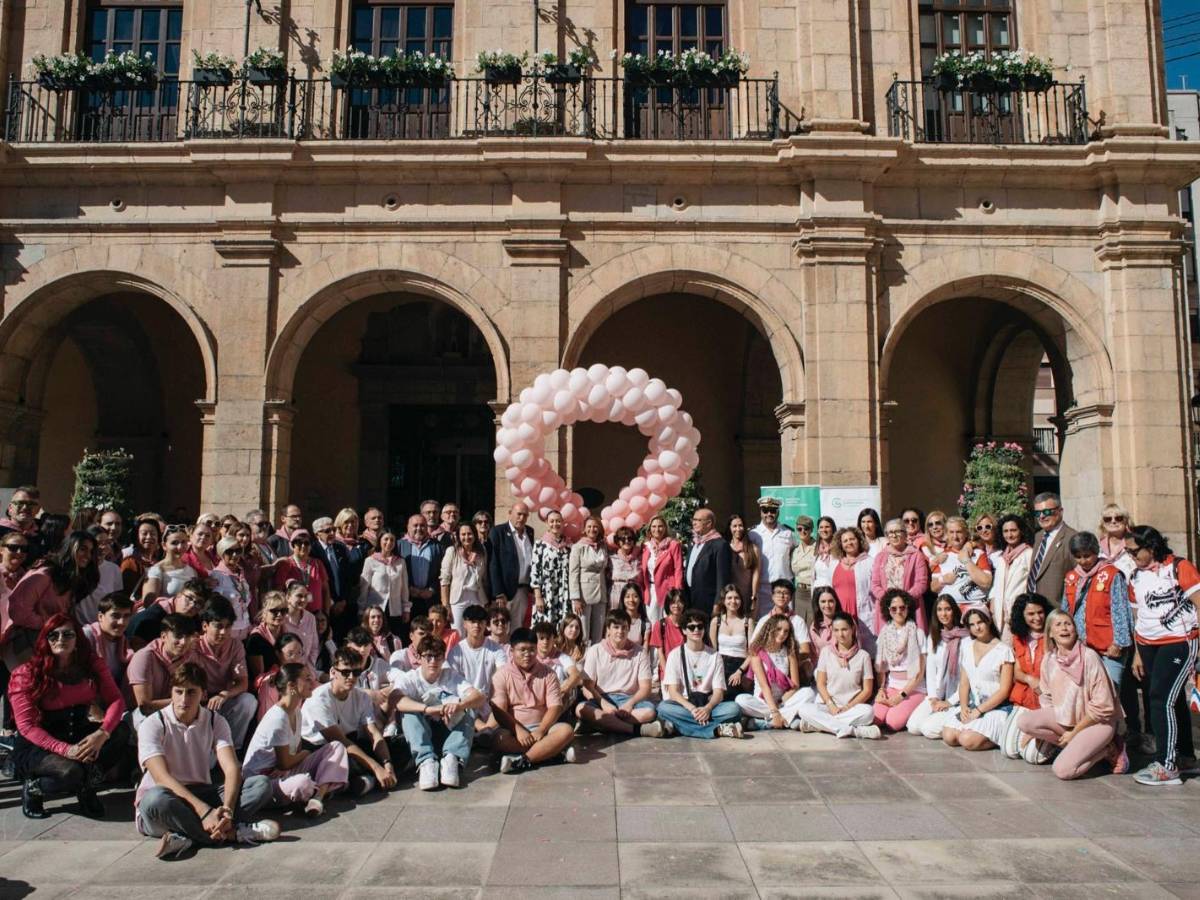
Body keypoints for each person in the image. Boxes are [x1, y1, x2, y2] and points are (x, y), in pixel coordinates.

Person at [135, 663, 279, 860]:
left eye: (191, 693)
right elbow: (162, 778)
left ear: (203, 694)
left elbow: (231, 768)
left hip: (201, 792)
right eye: (178, 692)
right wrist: (204, 812)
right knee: (155, 799)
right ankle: (231, 834)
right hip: (166, 799)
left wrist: (226, 809)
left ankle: (190, 835)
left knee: (260, 785)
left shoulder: (214, 720)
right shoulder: (153, 723)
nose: (183, 699)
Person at [9, 614, 128, 819]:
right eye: (53, 635)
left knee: (121, 731)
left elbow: (117, 700)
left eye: (67, 634)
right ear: (44, 641)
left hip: (77, 732)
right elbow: (27, 726)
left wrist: (102, 733)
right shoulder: (27, 673)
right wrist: (66, 750)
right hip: (39, 743)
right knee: (70, 772)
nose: (60, 639)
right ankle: (34, 788)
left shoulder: (91, 664)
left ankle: (86, 786)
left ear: (77, 639)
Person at [1016, 609, 1128, 780]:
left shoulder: (1090, 657)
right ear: (1051, 633)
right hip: (1067, 720)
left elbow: (1103, 707)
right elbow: (1047, 698)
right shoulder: (1049, 659)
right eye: (1058, 625)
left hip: (1097, 723)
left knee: (1063, 771)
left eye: (1068, 624)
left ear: (1075, 630)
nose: (1064, 628)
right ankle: (1076, 747)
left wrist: (1074, 732)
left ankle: (1108, 750)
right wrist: (1038, 733)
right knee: (1024, 722)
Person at [1126, 525, 1199, 786]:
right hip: (1147, 644)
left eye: (1134, 551)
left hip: (1178, 641)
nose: (1130, 555)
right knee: (1171, 697)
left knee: (1160, 699)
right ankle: (1185, 755)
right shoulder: (1135, 577)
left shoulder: (1179, 567)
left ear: (1152, 547)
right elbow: (1138, 616)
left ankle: (1166, 765)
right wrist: (1136, 652)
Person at [241, 663, 349, 816]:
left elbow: (291, 759)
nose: (312, 682)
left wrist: (304, 757)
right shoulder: (277, 718)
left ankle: (317, 797)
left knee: (336, 747)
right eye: (306, 679)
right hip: (263, 783)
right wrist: (306, 754)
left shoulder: (296, 711)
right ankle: (321, 787)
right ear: (291, 685)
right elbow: (284, 763)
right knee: (302, 783)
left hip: (285, 773)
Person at [390, 635, 485, 789]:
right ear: (419, 658)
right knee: (408, 713)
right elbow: (396, 700)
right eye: (428, 656)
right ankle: (426, 761)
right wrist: (427, 709)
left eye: (437, 656)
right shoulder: (410, 678)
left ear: (443, 658)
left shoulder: (450, 676)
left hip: (447, 732)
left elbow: (479, 697)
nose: (433, 661)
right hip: (422, 735)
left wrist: (460, 705)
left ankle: (452, 758)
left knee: (470, 709)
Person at [301, 647, 398, 795]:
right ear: (333, 672)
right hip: (322, 750)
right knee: (347, 762)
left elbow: (373, 733)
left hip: (351, 741)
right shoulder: (318, 699)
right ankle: (367, 779)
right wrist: (377, 767)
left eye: (356, 672)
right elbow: (340, 741)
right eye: (346, 672)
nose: (351, 677)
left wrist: (387, 763)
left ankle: (368, 779)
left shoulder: (361, 696)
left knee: (397, 746)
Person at [492, 627, 578, 771]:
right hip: (514, 731)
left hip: (544, 728)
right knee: (498, 739)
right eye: (522, 650)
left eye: (532, 649)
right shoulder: (501, 675)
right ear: (512, 651)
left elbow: (555, 707)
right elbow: (499, 710)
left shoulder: (549, 674)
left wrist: (541, 730)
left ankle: (523, 760)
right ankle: (551, 754)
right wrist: (519, 730)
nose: (527, 654)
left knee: (566, 731)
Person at [4, 531, 100, 656]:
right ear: (70, 547)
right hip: (23, 645)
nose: (88, 555)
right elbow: (18, 611)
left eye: (91, 551)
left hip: (49, 643)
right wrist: (49, 624)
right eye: (83, 549)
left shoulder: (73, 578)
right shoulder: (45, 573)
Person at [656, 609, 745, 739]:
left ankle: (679, 726)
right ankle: (717, 730)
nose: (696, 630)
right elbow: (673, 692)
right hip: (685, 705)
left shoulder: (715, 656)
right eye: (691, 627)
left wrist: (707, 709)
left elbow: (718, 693)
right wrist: (692, 709)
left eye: (700, 626)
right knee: (663, 708)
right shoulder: (675, 655)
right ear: (684, 630)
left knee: (734, 709)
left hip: (708, 704)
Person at [792, 612, 880, 738]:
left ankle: (817, 725)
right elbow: (821, 683)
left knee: (868, 712)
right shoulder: (826, 652)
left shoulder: (863, 656)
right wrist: (831, 705)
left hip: (852, 707)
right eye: (837, 630)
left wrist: (849, 707)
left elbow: (867, 690)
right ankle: (854, 731)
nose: (841, 634)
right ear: (832, 631)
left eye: (844, 629)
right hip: (829, 706)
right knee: (804, 709)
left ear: (852, 629)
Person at [1062, 531, 1133, 686]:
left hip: (1108, 647)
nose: (1083, 561)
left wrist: (1119, 643)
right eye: (1078, 557)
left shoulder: (1111, 574)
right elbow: (1065, 611)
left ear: (1096, 552)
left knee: (1111, 691)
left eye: (1087, 556)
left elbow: (1120, 610)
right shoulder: (1071, 577)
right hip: (1082, 646)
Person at [577, 609, 663, 737]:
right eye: (616, 627)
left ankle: (601, 724)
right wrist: (604, 704)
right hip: (601, 697)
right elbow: (588, 688)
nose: (620, 631)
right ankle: (637, 730)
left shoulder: (639, 653)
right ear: (608, 630)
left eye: (624, 627)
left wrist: (629, 704)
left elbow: (646, 688)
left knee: (649, 712)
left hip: (629, 699)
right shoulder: (595, 650)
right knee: (580, 709)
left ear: (629, 629)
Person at [941, 609, 1014, 751]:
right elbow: (964, 683)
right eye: (972, 624)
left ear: (988, 621)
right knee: (949, 736)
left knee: (967, 740)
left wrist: (979, 710)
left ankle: (997, 737)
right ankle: (976, 731)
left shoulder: (1004, 650)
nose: (977, 627)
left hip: (996, 708)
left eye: (980, 622)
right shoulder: (967, 647)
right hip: (974, 705)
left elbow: (1004, 690)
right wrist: (963, 707)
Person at [193, 597, 256, 749]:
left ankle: (232, 748)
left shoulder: (236, 645)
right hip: (198, 701)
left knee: (248, 701)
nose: (223, 632)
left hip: (223, 699)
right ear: (205, 626)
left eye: (228, 627)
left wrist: (225, 694)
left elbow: (243, 682)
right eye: (218, 626)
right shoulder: (193, 646)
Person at [1000, 593, 1053, 762]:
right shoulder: (1019, 637)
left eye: (1040, 612)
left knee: (1033, 757)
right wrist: (1030, 680)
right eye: (1031, 614)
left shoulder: (1054, 635)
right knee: (1009, 751)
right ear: (1022, 616)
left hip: (1048, 703)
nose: (1037, 618)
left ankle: (1059, 744)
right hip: (1024, 698)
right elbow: (1017, 672)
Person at [906, 595, 968, 739]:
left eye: (947, 609)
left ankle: (958, 724)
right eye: (939, 610)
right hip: (937, 694)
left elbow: (967, 679)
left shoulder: (966, 639)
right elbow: (931, 672)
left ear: (954, 611)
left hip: (957, 697)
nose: (943, 614)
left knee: (928, 730)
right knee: (913, 727)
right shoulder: (934, 636)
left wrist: (949, 702)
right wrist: (933, 697)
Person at [734, 613, 808, 729]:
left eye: (786, 631)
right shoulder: (756, 652)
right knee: (741, 700)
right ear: (770, 628)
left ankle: (764, 723)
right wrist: (774, 711)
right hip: (762, 702)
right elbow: (764, 687)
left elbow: (795, 685)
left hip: (783, 701)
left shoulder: (790, 652)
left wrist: (780, 703)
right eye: (778, 629)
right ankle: (786, 720)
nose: (782, 634)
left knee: (808, 693)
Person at [128, 614, 199, 723]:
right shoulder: (145, 657)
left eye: (188, 636)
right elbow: (144, 706)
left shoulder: (190, 657)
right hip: (133, 714)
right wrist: (186, 701)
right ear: (163, 636)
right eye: (178, 636)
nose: (183, 642)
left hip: (171, 710)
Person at [872, 589, 927, 732]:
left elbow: (919, 673)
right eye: (893, 608)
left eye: (902, 607)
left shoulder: (918, 633)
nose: (898, 611)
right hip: (891, 686)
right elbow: (881, 668)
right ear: (888, 610)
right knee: (875, 718)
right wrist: (881, 689)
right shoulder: (884, 633)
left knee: (892, 722)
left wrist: (901, 696)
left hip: (913, 689)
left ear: (908, 608)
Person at [447, 604, 508, 729]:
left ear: (486, 624)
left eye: (480, 622)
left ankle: (484, 731)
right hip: (466, 701)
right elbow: (453, 683)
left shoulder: (496, 649)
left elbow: (502, 676)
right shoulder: (456, 652)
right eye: (472, 622)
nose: (477, 625)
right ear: (464, 624)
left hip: (489, 701)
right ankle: (485, 731)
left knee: (503, 701)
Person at [869, 518, 930, 634]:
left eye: (898, 531)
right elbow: (875, 584)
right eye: (890, 532)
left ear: (905, 533)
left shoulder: (916, 555)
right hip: (886, 610)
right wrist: (890, 601)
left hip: (910, 608)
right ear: (886, 536)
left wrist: (902, 602)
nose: (894, 535)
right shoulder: (880, 557)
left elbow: (921, 583)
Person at [930, 517, 993, 614]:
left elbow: (986, 582)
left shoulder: (978, 553)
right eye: (951, 532)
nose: (955, 536)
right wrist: (942, 580)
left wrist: (966, 560)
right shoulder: (942, 556)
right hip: (950, 611)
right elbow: (933, 587)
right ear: (946, 534)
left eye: (959, 532)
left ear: (966, 533)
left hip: (976, 609)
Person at [489, 503, 535, 633]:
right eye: (519, 514)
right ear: (510, 513)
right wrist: (498, 592)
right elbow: (494, 563)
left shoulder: (530, 532)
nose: (521, 518)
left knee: (517, 628)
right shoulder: (498, 532)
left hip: (523, 590)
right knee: (502, 628)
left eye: (525, 515)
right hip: (505, 591)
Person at [128, 578, 210, 648]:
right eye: (189, 598)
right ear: (179, 594)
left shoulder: (194, 619)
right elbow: (138, 649)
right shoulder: (152, 618)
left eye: (199, 603)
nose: (192, 605)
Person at [1027, 492, 1077, 606]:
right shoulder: (1038, 536)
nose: (1041, 516)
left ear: (1060, 511)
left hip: (1057, 610)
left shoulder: (1072, 538)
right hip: (1035, 608)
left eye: (1047, 512)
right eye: (1037, 513)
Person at [82, 592, 134, 701]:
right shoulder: (87, 636)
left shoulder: (124, 642)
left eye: (126, 616)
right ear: (100, 617)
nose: (122, 622)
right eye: (115, 616)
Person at [989, 514, 1033, 640]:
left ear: (1021, 531)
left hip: (1018, 611)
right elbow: (997, 584)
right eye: (1006, 531)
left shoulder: (1028, 554)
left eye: (1013, 530)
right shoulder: (1002, 558)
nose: (1010, 535)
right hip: (1001, 614)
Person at [440, 521, 489, 633]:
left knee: (476, 631)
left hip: (477, 597)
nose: (467, 537)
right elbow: (445, 580)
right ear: (458, 536)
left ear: (475, 535)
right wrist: (446, 605)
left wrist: (487, 602)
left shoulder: (482, 552)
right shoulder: (452, 551)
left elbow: (485, 578)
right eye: (463, 534)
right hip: (458, 598)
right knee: (458, 632)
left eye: (470, 534)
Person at [358, 527, 409, 636]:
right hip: (375, 609)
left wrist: (406, 608)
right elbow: (364, 587)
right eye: (386, 539)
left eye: (392, 540)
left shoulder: (401, 562)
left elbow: (404, 587)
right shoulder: (370, 561)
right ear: (380, 541)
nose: (389, 542)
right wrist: (361, 610)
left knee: (394, 638)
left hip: (395, 610)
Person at [829, 527, 875, 644]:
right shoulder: (834, 563)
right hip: (839, 613)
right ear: (840, 545)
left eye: (852, 539)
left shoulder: (870, 562)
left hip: (862, 614)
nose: (849, 542)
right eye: (845, 541)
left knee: (863, 651)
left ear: (859, 540)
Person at [568, 514, 608, 642]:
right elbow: (573, 573)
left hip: (601, 593)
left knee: (598, 634)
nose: (592, 529)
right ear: (584, 529)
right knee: (583, 634)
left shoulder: (602, 546)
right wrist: (575, 598)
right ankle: (581, 660)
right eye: (589, 526)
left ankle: (595, 661)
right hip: (583, 596)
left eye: (595, 527)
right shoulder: (578, 547)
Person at [530, 510, 572, 631]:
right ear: (547, 523)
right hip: (547, 592)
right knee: (546, 627)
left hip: (564, 593)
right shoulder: (540, 544)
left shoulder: (568, 545)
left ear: (563, 523)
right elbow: (535, 571)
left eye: (558, 521)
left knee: (563, 626)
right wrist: (538, 597)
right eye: (552, 521)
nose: (555, 524)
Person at [272, 530, 329, 615]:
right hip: (293, 615)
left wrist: (326, 613)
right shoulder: (286, 564)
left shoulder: (318, 563)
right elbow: (279, 590)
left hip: (316, 615)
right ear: (293, 545)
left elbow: (326, 590)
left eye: (306, 543)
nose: (303, 546)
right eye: (299, 543)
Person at [685, 508, 732, 612]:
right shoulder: (693, 542)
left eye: (698, 520)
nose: (694, 523)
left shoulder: (720, 545)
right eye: (694, 520)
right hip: (691, 598)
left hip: (708, 601)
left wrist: (718, 602)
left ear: (709, 523)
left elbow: (722, 578)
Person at [710, 583, 752, 697]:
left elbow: (752, 653)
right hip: (720, 664)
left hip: (740, 666)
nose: (733, 601)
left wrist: (740, 671)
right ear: (723, 600)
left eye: (736, 598)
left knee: (732, 694)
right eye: (729, 598)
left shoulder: (747, 622)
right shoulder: (716, 621)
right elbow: (712, 651)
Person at [400, 514, 444, 624]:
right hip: (407, 598)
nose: (419, 528)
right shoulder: (399, 545)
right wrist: (408, 588)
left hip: (430, 599)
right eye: (415, 525)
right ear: (408, 527)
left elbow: (442, 571)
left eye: (422, 525)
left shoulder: (436, 546)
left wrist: (432, 589)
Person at [209, 536, 254, 642]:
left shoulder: (240, 573)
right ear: (221, 554)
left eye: (238, 551)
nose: (235, 555)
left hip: (245, 628)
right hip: (227, 631)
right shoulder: (216, 575)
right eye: (229, 551)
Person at [641, 515, 683, 623]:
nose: (657, 529)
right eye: (654, 526)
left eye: (660, 526)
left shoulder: (673, 545)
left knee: (668, 621)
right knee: (652, 622)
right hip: (650, 589)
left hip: (668, 589)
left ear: (665, 528)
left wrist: (677, 591)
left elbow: (678, 569)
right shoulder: (646, 546)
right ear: (649, 528)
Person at [245, 594, 289, 686]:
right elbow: (259, 677)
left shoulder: (287, 635)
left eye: (283, 611)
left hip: (285, 681)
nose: (279, 614)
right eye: (274, 611)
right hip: (266, 686)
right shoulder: (255, 639)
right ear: (264, 613)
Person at [648, 588, 687, 680]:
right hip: (667, 671)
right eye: (673, 602)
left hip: (685, 671)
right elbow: (660, 653)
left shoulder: (688, 624)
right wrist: (668, 675)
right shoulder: (660, 625)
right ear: (668, 604)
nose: (676, 605)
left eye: (680, 602)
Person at [728, 513, 761, 617]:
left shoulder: (753, 548)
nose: (738, 529)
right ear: (729, 528)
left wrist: (754, 596)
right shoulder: (725, 548)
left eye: (740, 525)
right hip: (730, 596)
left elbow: (756, 574)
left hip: (747, 594)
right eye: (734, 526)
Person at [120, 517, 162, 598]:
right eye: (144, 533)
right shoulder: (129, 562)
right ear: (136, 537)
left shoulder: (160, 561)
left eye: (153, 534)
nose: (149, 537)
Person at [282, 581, 320, 667]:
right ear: (288, 597)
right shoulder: (281, 618)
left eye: (306, 596)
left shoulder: (311, 618)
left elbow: (314, 647)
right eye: (299, 596)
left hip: (306, 669)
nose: (303, 600)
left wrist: (308, 667)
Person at [0, 486, 44, 560]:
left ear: (38, 509)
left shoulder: (44, 534)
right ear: (10, 508)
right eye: (20, 503)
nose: (25, 507)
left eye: (31, 504)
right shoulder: (1, 530)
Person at [608, 526, 642, 610]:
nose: (626, 541)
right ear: (618, 542)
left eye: (630, 538)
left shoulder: (639, 557)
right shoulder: (612, 559)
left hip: (633, 595)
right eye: (622, 539)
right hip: (616, 594)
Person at [1097, 503, 1135, 576]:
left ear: (1126, 522)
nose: (1113, 521)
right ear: (1103, 524)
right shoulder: (1097, 547)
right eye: (1108, 519)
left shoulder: (1134, 545)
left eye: (1118, 518)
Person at [791, 515, 816, 609]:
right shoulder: (795, 550)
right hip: (799, 593)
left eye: (806, 528)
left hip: (813, 591)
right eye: (799, 529)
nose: (803, 531)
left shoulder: (818, 548)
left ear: (811, 530)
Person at [811, 516, 837, 588]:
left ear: (833, 529)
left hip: (835, 592)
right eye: (821, 527)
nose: (824, 530)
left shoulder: (840, 550)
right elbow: (813, 577)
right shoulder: (816, 550)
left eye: (827, 527)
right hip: (819, 593)